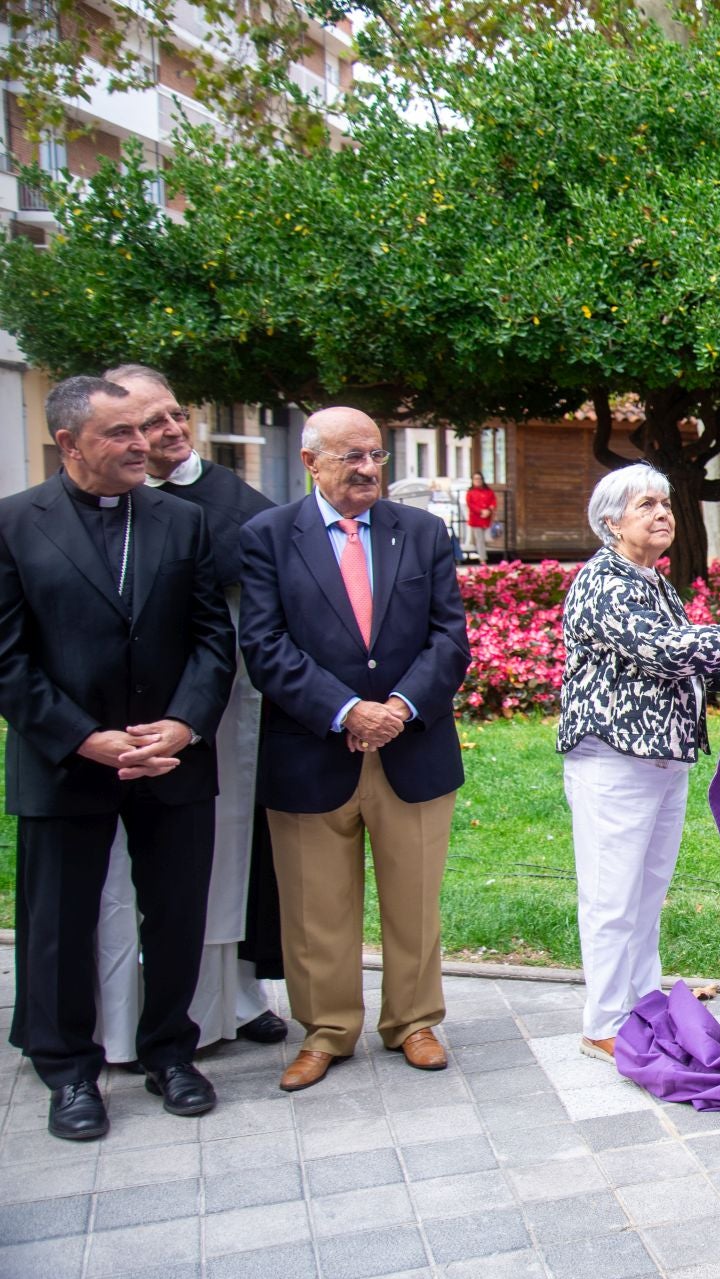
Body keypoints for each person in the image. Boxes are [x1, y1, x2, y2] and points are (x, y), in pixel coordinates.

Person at [0, 376, 234, 1140]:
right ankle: (69, 1072)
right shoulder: (14, 524)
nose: (143, 445)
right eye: (120, 434)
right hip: (65, 758)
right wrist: (82, 737)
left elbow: (212, 638)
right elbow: (8, 659)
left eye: (144, 430)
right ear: (69, 444)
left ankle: (172, 1052)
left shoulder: (181, 521)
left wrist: (184, 725)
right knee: (59, 922)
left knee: (175, 913)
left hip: (172, 759)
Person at [238, 407, 471, 1092]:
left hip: (412, 748)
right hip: (311, 749)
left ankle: (414, 1020)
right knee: (316, 907)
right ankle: (327, 1029)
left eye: (375, 454)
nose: (368, 468)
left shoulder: (422, 533)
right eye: (351, 457)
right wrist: (345, 711)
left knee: (414, 898)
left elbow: (449, 638)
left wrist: (397, 708)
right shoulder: (268, 538)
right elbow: (264, 645)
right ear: (312, 462)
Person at [90, 366, 286, 1069]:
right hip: (110, 721)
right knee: (114, 872)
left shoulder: (232, 500)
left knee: (219, 856)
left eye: (175, 415)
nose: (169, 432)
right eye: (147, 425)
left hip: (212, 712)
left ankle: (227, 997)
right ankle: (118, 1014)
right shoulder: (97, 508)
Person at [559, 464, 720, 1063]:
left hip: (661, 763)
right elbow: (665, 652)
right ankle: (602, 1022)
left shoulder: (651, 582)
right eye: (646, 504)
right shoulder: (606, 581)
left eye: (666, 503)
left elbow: (675, 668)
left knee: (646, 895)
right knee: (612, 897)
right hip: (615, 763)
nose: (663, 513)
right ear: (611, 521)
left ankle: (640, 1005)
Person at [463, 472, 497, 565]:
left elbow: (493, 501)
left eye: (479, 479)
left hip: (487, 518)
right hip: (476, 518)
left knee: (487, 538)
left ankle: (482, 554)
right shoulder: (470, 492)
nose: (477, 481)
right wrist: (481, 511)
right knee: (480, 539)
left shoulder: (488, 491)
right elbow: (470, 505)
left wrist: (489, 510)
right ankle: (483, 559)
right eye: (475, 479)